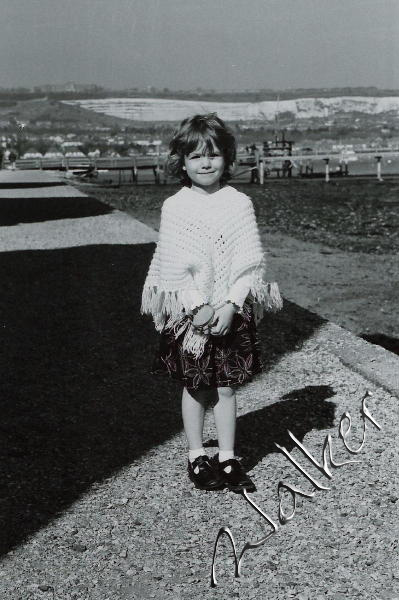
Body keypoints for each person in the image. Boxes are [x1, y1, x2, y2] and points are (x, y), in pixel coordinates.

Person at [140, 114, 282, 493]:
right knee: (197, 387)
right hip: (193, 316)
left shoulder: (239, 204)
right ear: (182, 162)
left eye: (214, 154)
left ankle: (229, 456)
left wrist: (232, 304)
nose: (206, 163)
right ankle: (197, 454)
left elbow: (248, 263)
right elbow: (174, 267)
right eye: (196, 156)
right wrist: (197, 306)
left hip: (229, 312)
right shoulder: (176, 206)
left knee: (227, 388)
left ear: (227, 158)